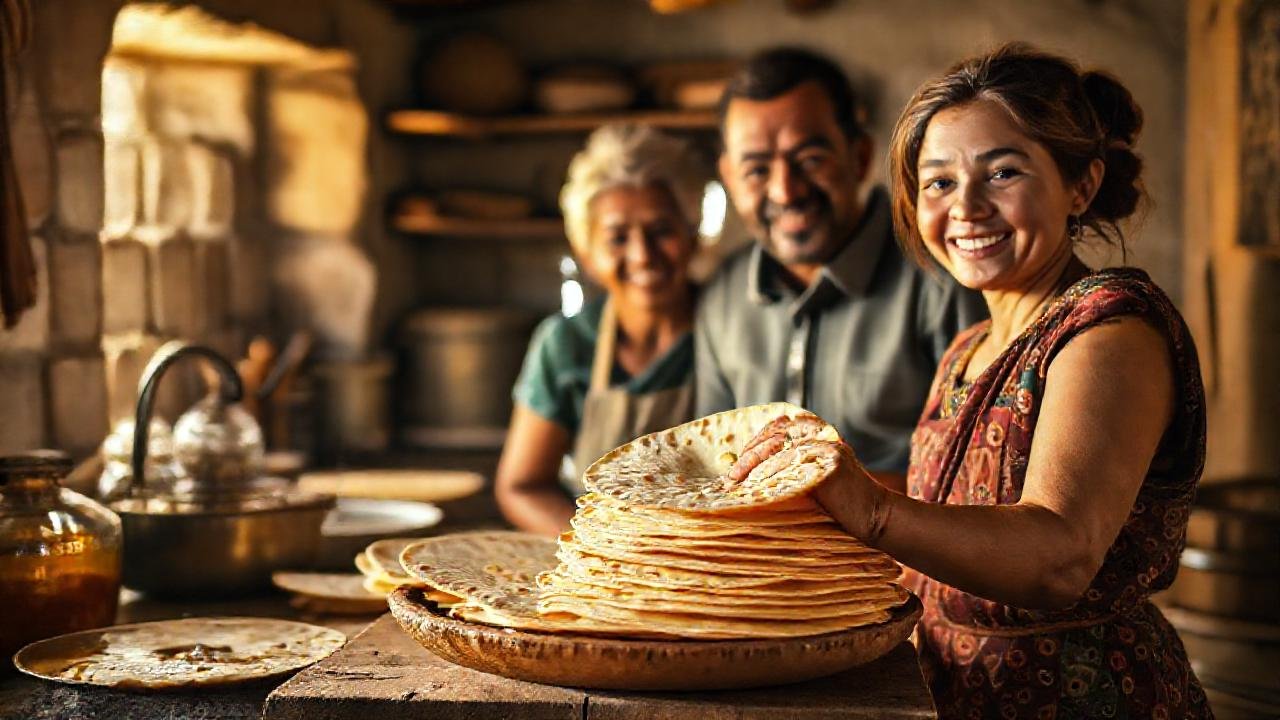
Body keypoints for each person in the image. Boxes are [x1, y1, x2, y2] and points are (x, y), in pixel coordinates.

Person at [731, 44, 1211, 718]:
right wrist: (808, 488)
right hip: (952, 694)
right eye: (939, 182)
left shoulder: (1111, 331)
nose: (966, 207)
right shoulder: (968, 349)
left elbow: (1060, 559)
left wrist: (871, 510)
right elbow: (947, 516)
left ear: (1080, 186)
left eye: (1003, 172)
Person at [697, 48, 987, 491]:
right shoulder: (721, 297)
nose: (785, 191)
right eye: (756, 170)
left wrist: (821, 490)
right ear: (729, 177)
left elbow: (977, 475)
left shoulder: (943, 277)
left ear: (860, 156)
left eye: (810, 159)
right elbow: (711, 464)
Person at [495, 124, 707, 537]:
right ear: (587, 253)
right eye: (617, 238)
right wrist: (598, 547)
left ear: (692, 235)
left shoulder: (729, 331)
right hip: (596, 557)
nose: (642, 255)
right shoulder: (566, 344)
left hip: (711, 554)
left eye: (661, 231)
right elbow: (521, 486)